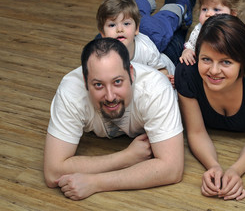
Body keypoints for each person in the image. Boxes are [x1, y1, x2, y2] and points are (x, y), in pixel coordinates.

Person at [44, 38, 184, 200]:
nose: (110, 97)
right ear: (85, 80)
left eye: (117, 82)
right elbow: (53, 172)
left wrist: (96, 182)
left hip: (167, 61)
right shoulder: (71, 91)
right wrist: (126, 157)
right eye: (98, 85)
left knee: (173, 39)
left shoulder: (155, 88)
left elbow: (172, 169)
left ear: (131, 73)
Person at [175, 14, 245, 201]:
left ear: (243, 63)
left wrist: (236, 170)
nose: (214, 71)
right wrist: (213, 166)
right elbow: (196, 132)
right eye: (206, 59)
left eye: (226, 62)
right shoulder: (187, 73)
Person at [96, 0, 175, 83]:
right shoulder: (100, 53)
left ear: (137, 29)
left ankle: (173, 8)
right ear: (102, 34)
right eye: (112, 25)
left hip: (156, 39)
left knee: (164, 27)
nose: (119, 29)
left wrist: (165, 80)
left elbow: (161, 69)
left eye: (126, 24)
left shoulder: (146, 49)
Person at [118, 0, 197, 66]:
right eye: (112, 25)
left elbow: (157, 64)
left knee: (166, 17)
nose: (119, 30)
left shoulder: (149, 47)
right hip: (144, 25)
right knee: (141, 8)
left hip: (152, 31)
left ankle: (180, 5)